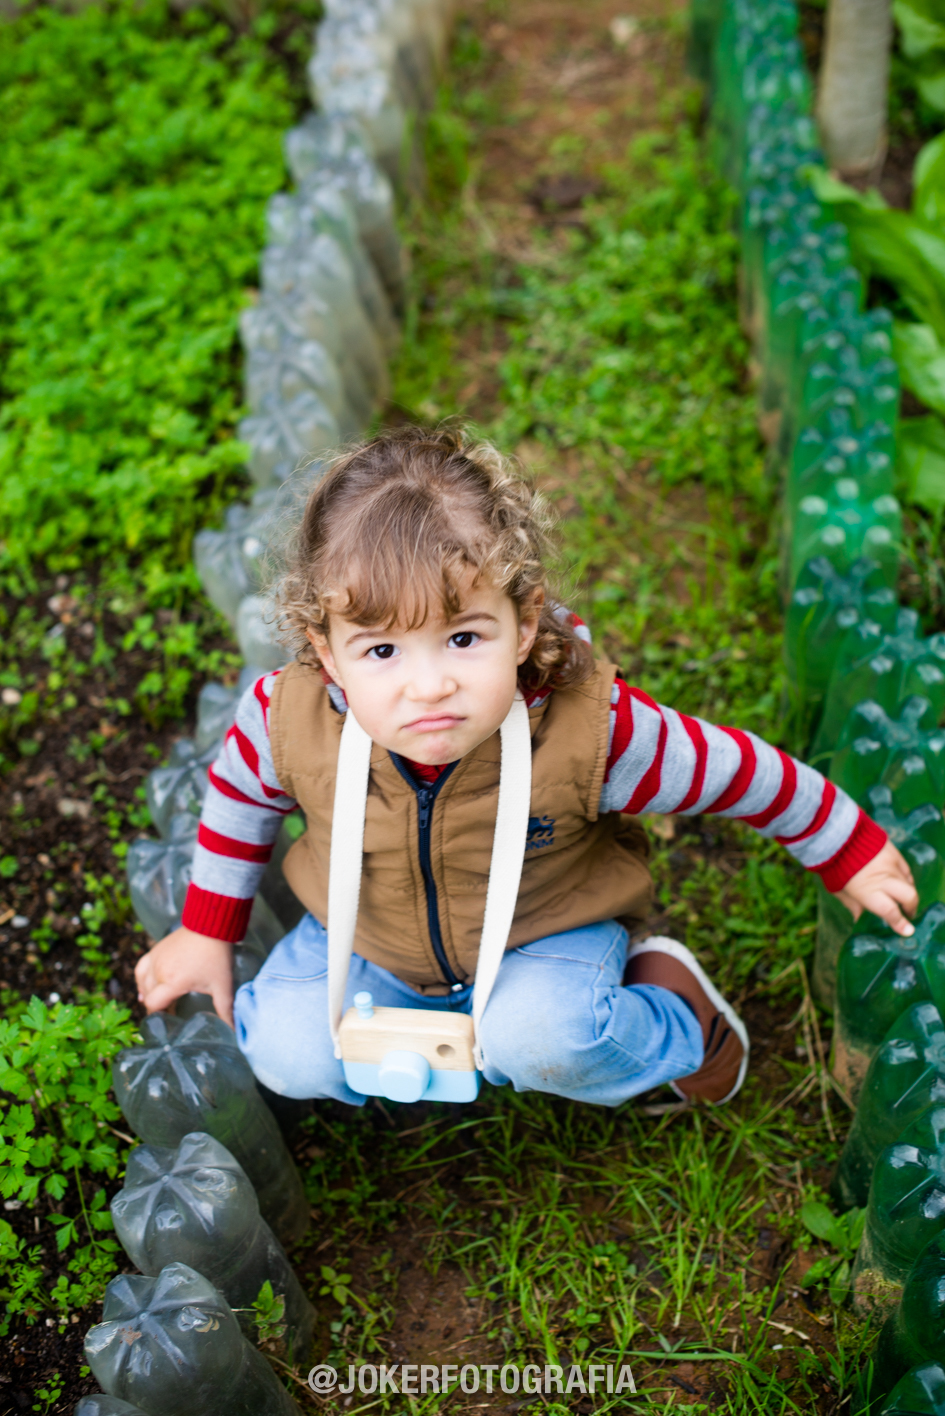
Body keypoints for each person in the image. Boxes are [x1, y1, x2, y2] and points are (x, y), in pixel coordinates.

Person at [135, 426, 918, 1108]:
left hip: (541, 936)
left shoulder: (593, 731)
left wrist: (842, 848)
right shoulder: (286, 720)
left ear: (522, 622)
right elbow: (239, 803)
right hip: (367, 943)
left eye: (463, 638)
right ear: (325, 654)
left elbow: (739, 773)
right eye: (380, 650)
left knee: (542, 1036)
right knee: (283, 1052)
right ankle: (433, 1039)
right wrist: (207, 930)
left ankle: (673, 1022)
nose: (429, 683)